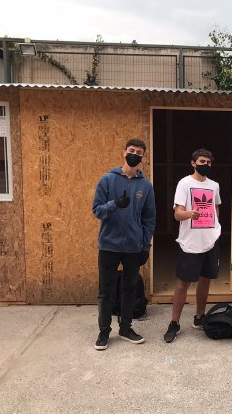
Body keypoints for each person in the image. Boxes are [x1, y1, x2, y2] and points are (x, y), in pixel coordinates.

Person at [92, 138, 156, 350]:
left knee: (129, 288)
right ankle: (104, 331)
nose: (134, 155)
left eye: (139, 153)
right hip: (109, 245)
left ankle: (126, 328)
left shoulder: (145, 186)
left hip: (133, 246)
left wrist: (145, 245)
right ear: (124, 152)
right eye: (131, 150)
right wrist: (115, 204)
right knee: (106, 290)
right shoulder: (107, 180)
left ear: (143, 157)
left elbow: (149, 218)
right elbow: (97, 210)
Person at [163, 149, 222, 343]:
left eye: (209, 162)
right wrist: (190, 214)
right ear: (193, 163)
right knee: (182, 284)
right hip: (190, 243)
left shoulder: (214, 185)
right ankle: (174, 323)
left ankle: (199, 316)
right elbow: (177, 214)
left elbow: (216, 207)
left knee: (205, 281)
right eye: (202, 161)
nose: (206, 164)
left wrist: (215, 229)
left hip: (210, 241)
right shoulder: (184, 183)